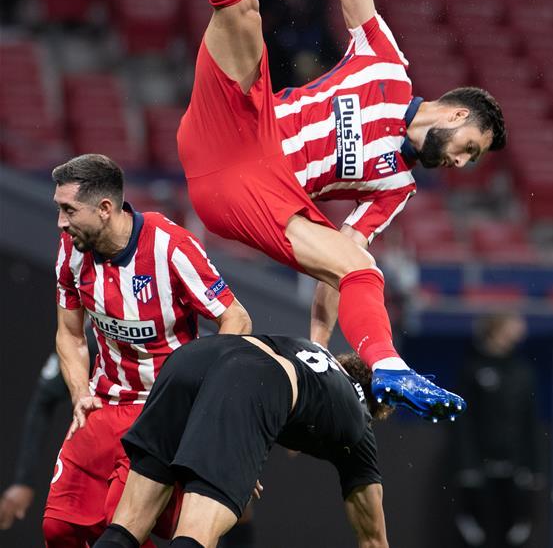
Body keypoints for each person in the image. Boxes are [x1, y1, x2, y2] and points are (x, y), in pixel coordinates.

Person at [173, 0, 503, 414]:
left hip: (260, 196)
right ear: (457, 116)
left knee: (363, 268)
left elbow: (340, 266)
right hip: (238, 127)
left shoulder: (397, 185)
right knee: (242, 14)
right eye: (470, 149)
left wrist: (319, 348)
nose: (461, 164)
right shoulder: (384, 61)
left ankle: (391, 368)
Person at [43, 153, 251, 548]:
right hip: (103, 405)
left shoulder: (169, 246)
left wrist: (209, 413)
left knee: (119, 529)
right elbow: (69, 335)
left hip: (159, 413)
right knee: (59, 529)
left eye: (68, 210)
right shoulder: (72, 249)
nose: (61, 222)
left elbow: (236, 319)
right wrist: (79, 395)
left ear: (105, 209)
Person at [92, 334, 392, 548]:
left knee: (126, 526)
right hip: (252, 379)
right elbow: (374, 540)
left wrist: (239, 445)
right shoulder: (361, 425)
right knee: (195, 533)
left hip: (197, 356)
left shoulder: (312, 353)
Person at [452, 314, 540, 548]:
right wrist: (468, 465)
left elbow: (529, 423)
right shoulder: (472, 369)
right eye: (512, 324)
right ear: (497, 329)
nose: (519, 330)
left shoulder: (522, 372)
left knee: (516, 533)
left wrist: (530, 467)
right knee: (477, 533)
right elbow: (464, 422)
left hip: (515, 469)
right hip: (480, 468)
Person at [0, 328, 97, 532]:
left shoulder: (166, 329)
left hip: (163, 449)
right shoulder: (90, 339)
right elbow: (43, 400)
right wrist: (24, 480)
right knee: (59, 529)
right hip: (107, 455)